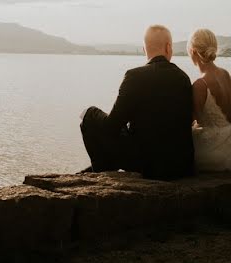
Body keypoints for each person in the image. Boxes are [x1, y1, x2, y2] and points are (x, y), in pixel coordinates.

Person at [79, 24, 194, 180]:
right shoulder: (183, 78)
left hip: (147, 165)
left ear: (144, 49)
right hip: (180, 165)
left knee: (89, 115)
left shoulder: (134, 76)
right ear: (168, 48)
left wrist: (89, 113)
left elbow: (111, 126)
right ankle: (101, 169)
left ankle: (101, 172)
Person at [188, 28, 231, 172]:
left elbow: (194, 122)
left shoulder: (200, 85)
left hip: (214, 154)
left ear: (193, 51)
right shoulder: (226, 75)